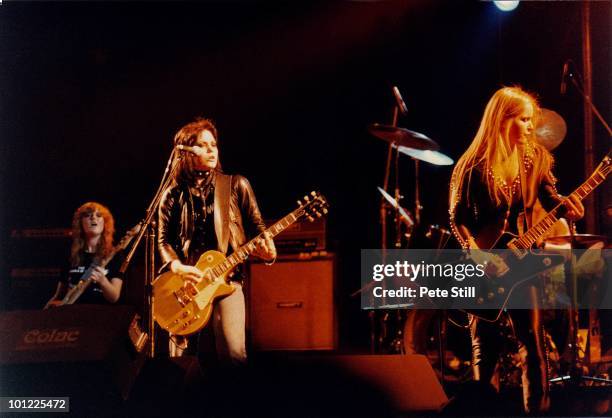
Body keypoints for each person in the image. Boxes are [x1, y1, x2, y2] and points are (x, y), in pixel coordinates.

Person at [448, 86, 584, 414]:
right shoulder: (473, 166)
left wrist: (567, 205)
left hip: (521, 262)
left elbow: (550, 194)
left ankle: (537, 411)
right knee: (486, 348)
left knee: (533, 345)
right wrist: (476, 254)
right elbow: (457, 219)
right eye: (523, 120)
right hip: (483, 265)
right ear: (502, 121)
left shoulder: (533, 157)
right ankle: (484, 409)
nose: (529, 127)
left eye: (530, 121)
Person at [158, 117, 276, 365]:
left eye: (214, 144)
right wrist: (177, 267)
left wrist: (268, 253)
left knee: (234, 356)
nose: (212, 149)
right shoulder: (172, 193)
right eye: (203, 144)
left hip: (228, 283)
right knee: (179, 363)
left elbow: (259, 228)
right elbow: (163, 241)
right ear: (187, 151)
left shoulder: (236, 185)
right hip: (185, 288)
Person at [46, 202, 123, 307]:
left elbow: (114, 297)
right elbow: (59, 295)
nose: (93, 218)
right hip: (72, 315)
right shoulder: (70, 255)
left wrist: (103, 281)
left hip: (101, 315)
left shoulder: (114, 255)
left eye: (99, 215)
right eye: (87, 215)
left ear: (105, 223)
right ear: (80, 223)